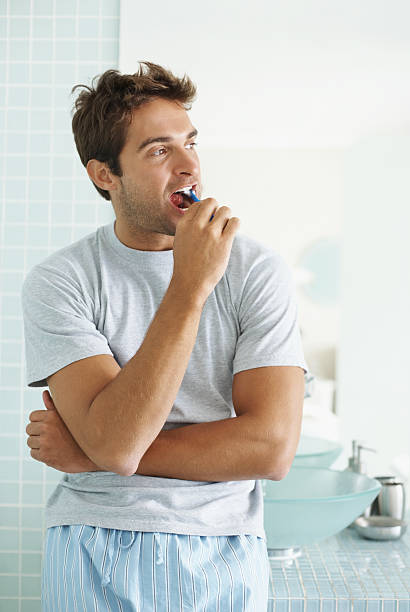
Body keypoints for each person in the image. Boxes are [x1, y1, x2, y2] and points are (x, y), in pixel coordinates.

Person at [22, 61, 308, 611]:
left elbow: (271, 448)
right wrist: (189, 285)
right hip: (91, 547)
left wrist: (94, 454)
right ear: (104, 174)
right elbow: (117, 442)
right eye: (158, 150)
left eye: (191, 143)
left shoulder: (255, 270)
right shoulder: (61, 282)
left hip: (223, 552)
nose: (188, 166)